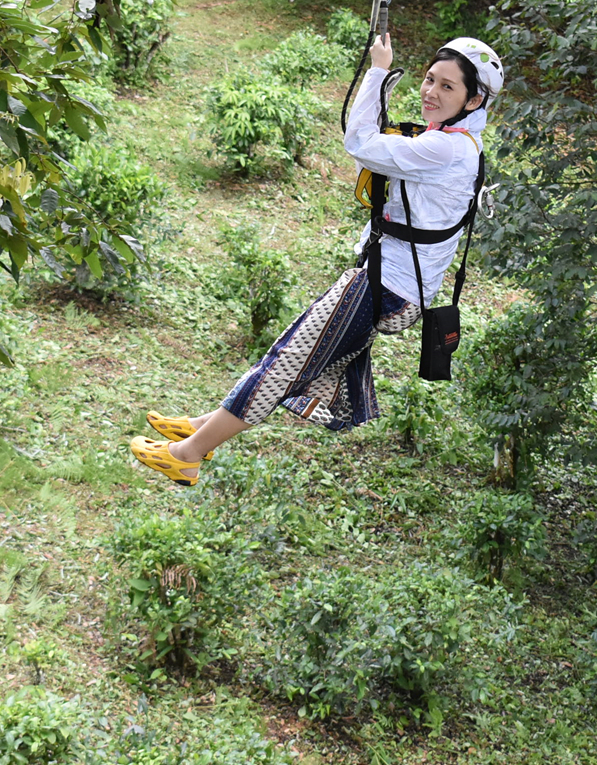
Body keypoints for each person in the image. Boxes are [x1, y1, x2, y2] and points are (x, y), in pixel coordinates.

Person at [129, 34, 506, 486]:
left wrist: (379, 70)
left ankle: (188, 454)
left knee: (285, 364)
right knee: (289, 354)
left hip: (387, 289)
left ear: (474, 99)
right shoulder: (452, 139)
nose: (430, 91)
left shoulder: (447, 149)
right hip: (386, 282)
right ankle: (199, 428)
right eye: (429, 79)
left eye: (448, 87)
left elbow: (359, 141)